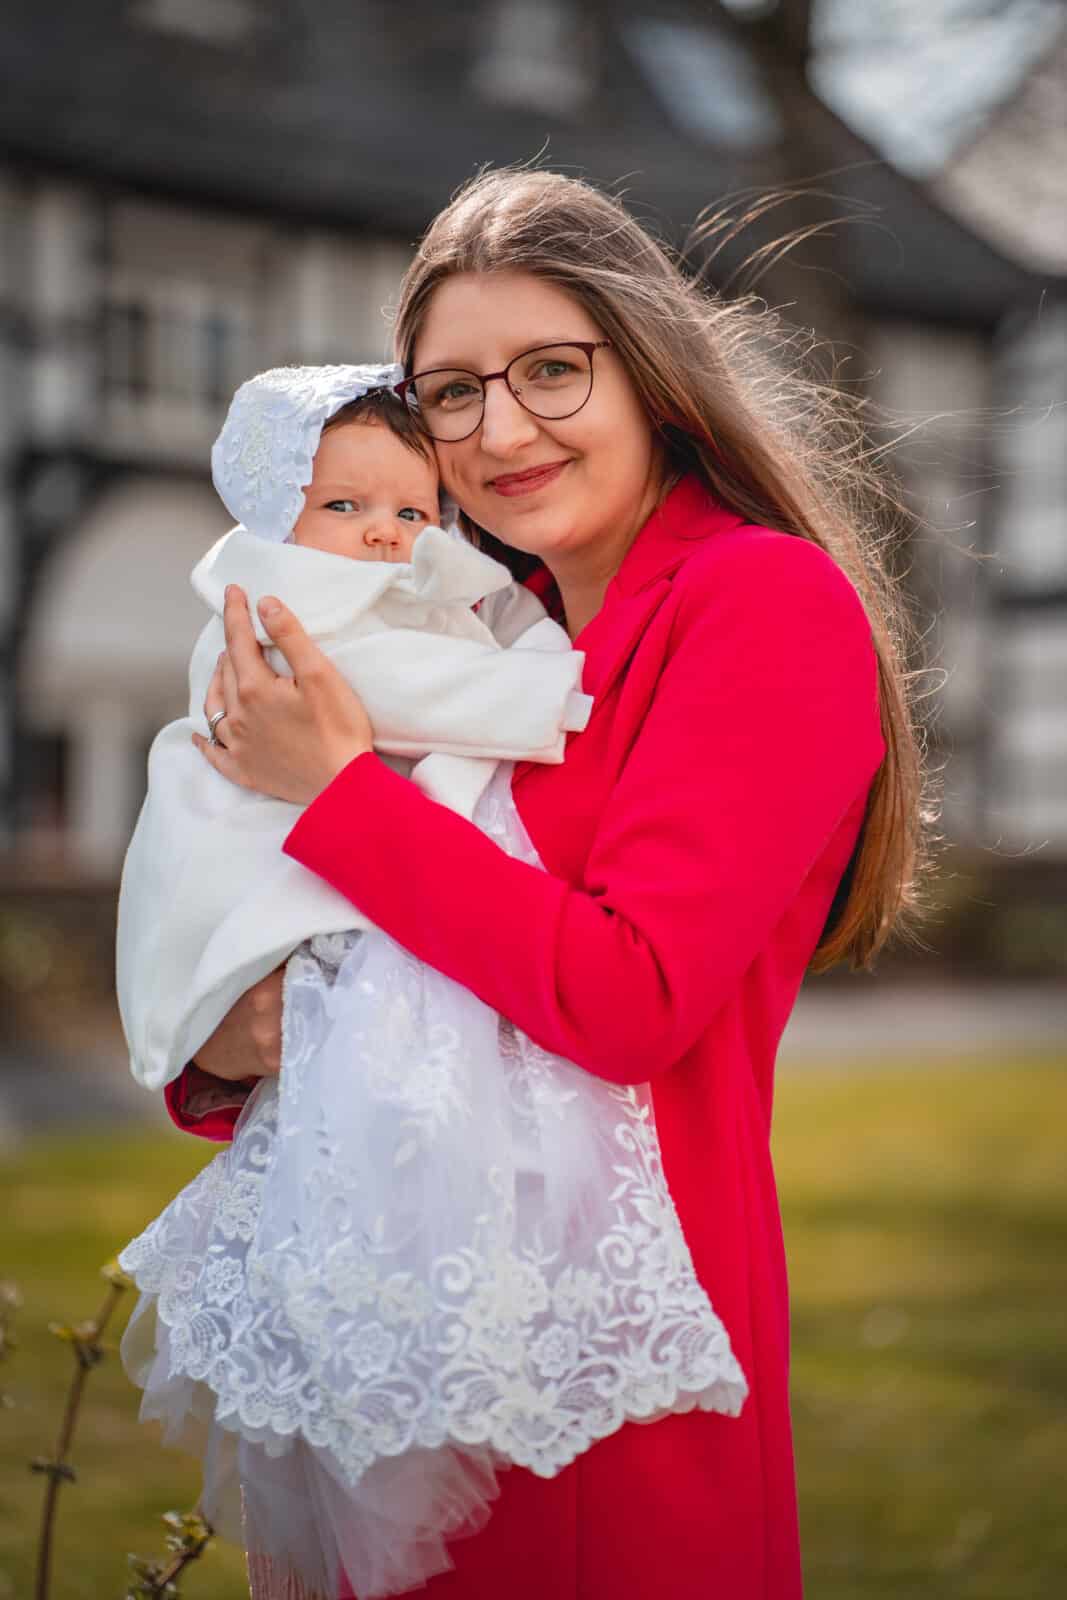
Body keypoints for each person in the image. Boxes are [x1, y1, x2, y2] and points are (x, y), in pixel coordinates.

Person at [169, 169, 925, 1600]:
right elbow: (330, 942)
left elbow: (629, 996)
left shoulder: (755, 601)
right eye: (449, 393)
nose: (497, 429)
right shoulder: (480, 639)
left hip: (606, 1389)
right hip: (399, 1346)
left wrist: (331, 793)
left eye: (549, 372)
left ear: (650, 375)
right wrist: (219, 1037)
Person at [115, 362, 747, 1600]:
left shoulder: (460, 579)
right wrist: (558, 692)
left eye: (408, 512)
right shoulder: (283, 597)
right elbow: (403, 696)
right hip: (293, 906)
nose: (387, 537)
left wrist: (484, 611)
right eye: (346, 509)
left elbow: (627, 983)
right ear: (271, 511)